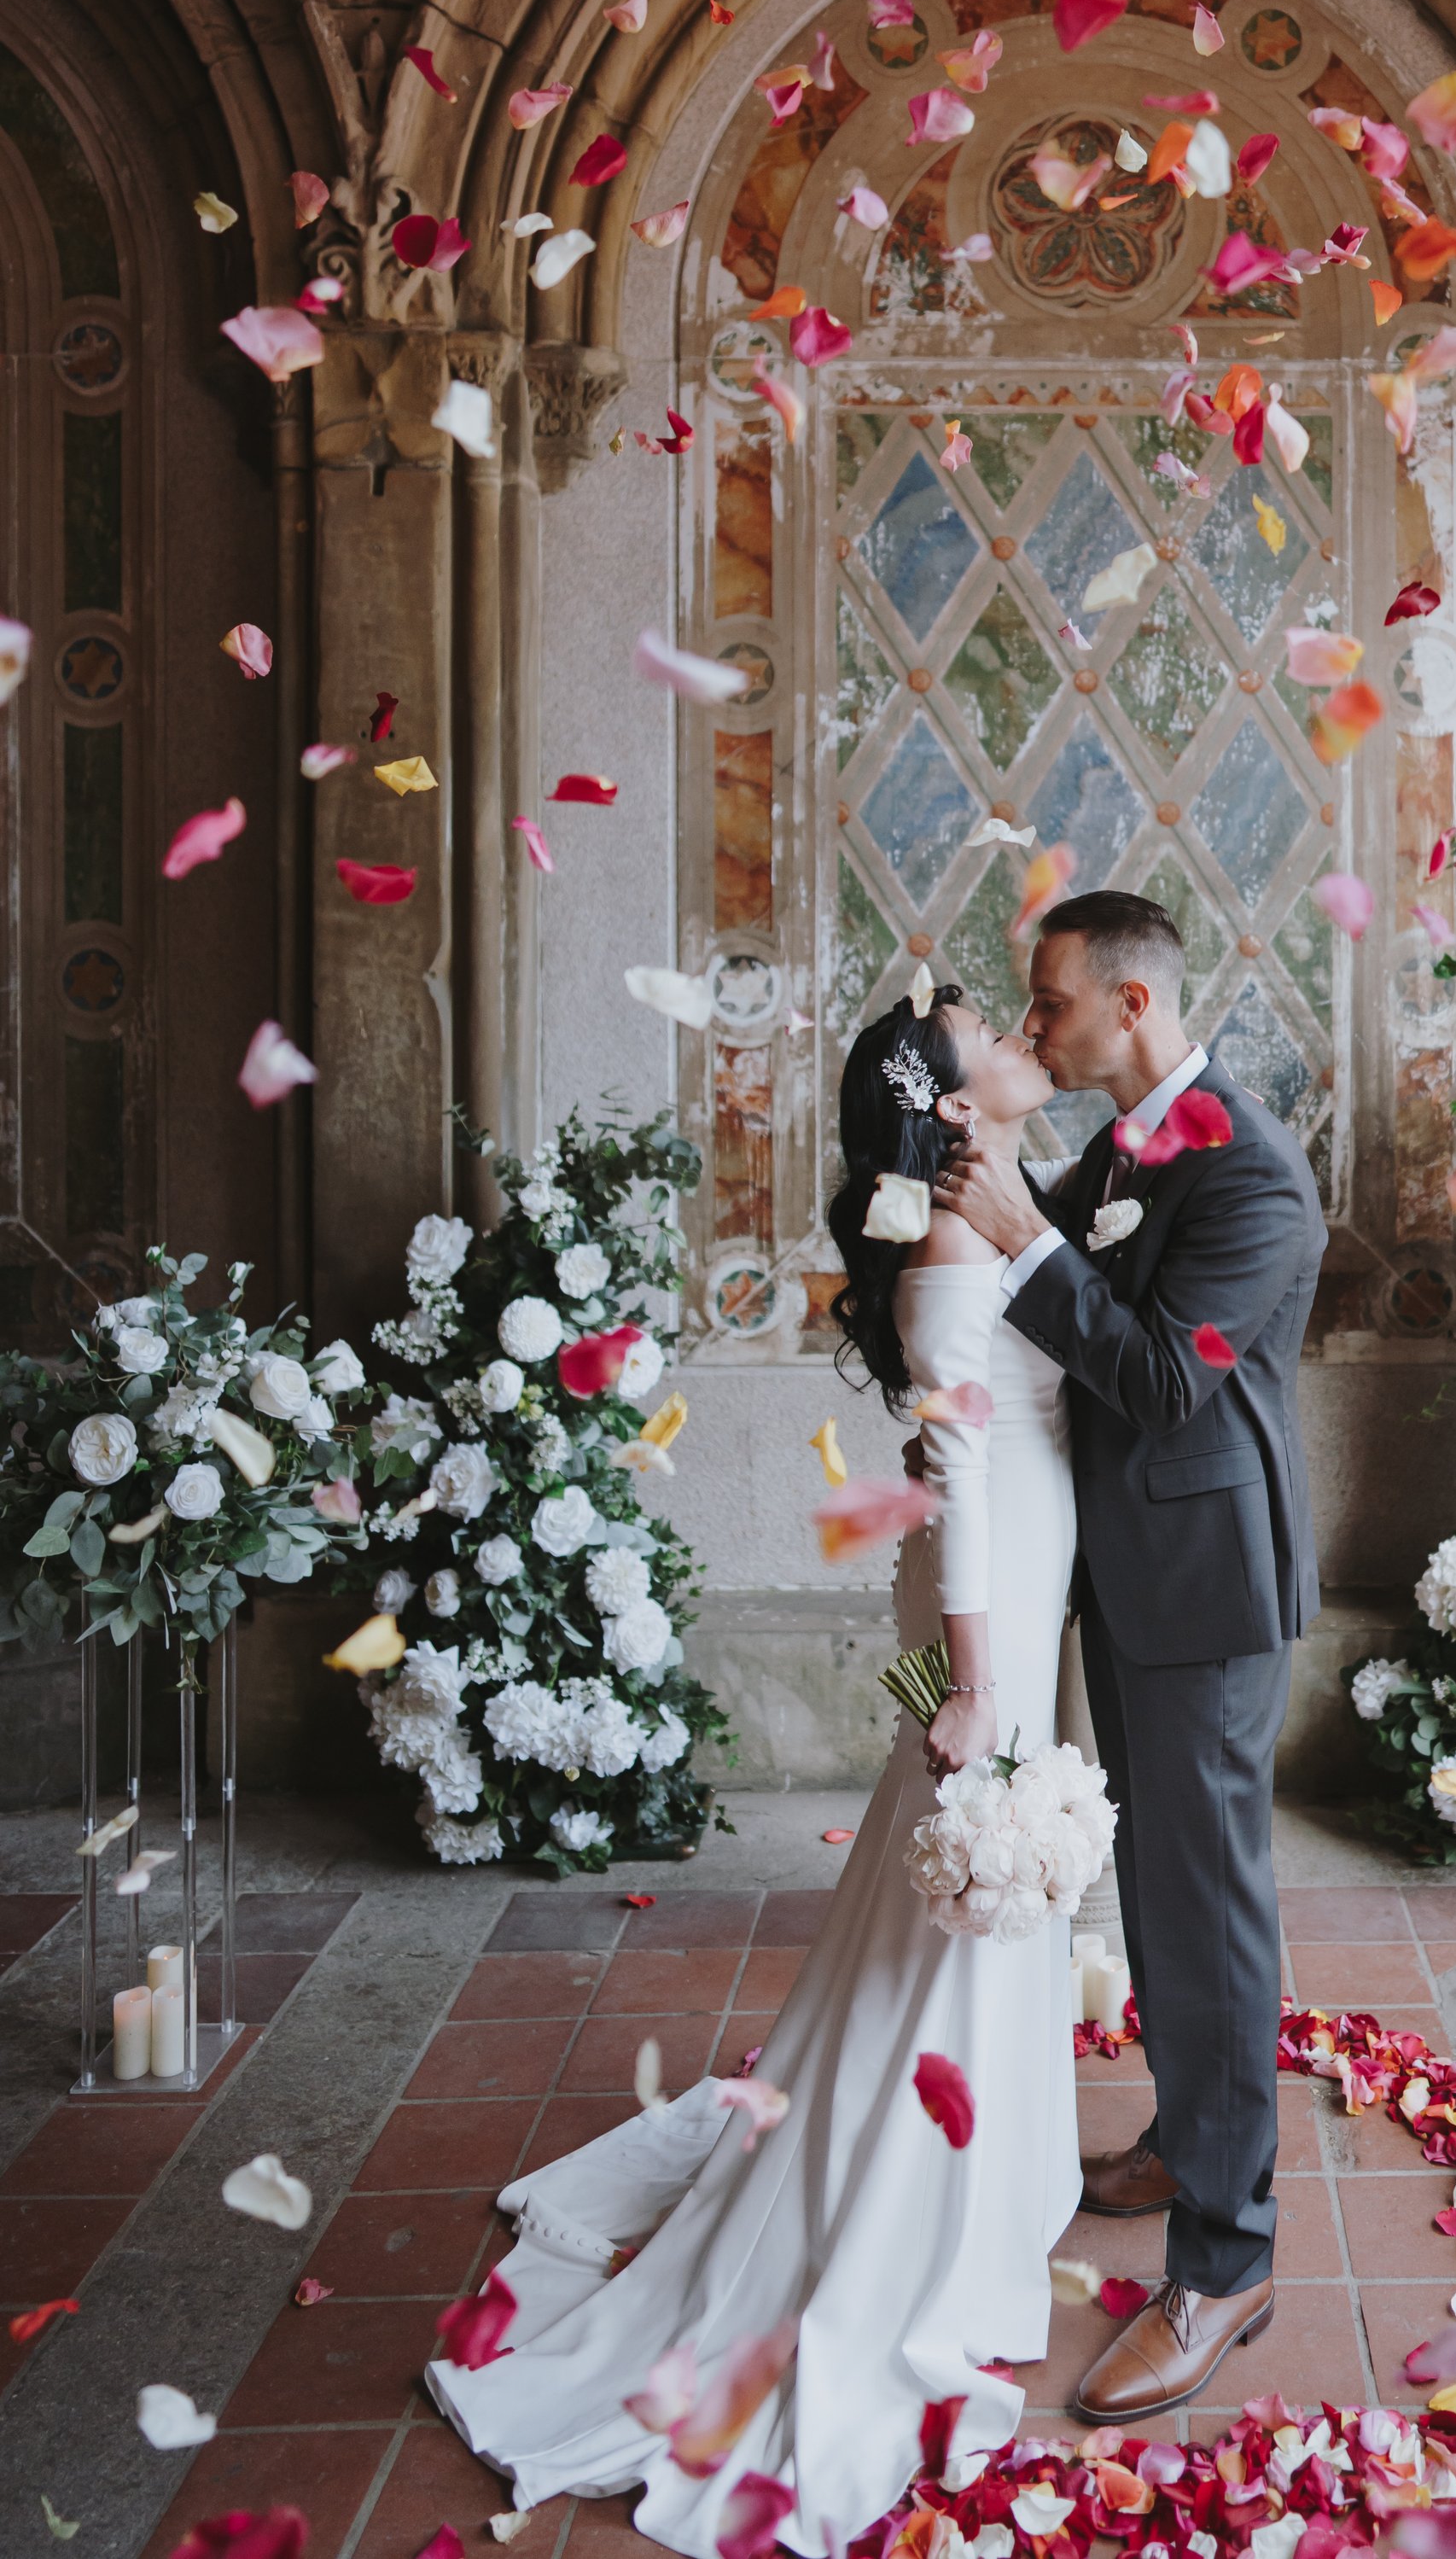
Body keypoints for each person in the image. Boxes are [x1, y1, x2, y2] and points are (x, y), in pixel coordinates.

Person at [428, 988, 1084, 2556]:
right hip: (978, 1610)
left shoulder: (995, 1211)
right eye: (995, 1026)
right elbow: (961, 1478)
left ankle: (977, 2180)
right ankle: (907, 2225)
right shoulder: (941, 1258)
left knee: (958, 1888)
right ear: (944, 1098)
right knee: (961, 1871)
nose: (1020, 1035)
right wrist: (982, 1686)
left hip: (1011, 1590)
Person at [932, 889, 1325, 2422]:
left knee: (1211, 1914)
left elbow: (1164, 1381)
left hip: (1209, 1591)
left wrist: (1026, 1232)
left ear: (1136, 1004)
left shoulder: (1253, 1174)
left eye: (1053, 1004)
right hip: (1129, 1578)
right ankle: (1185, 2123)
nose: (1038, 1026)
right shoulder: (1126, 1140)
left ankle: (1226, 2262)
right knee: (1154, 1881)